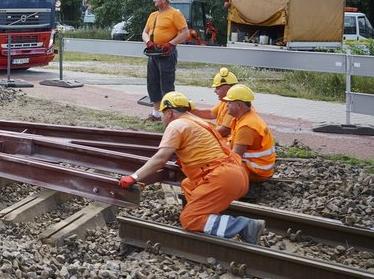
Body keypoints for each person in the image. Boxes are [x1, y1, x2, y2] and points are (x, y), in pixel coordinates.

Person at [118, 91, 265, 244]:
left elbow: (160, 159)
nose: (162, 118)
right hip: (236, 174)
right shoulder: (198, 121)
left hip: (222, 177)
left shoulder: (176, 125)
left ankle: (244, 226)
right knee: (187, 184)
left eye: (162, 114)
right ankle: (205, 213)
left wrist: (133, 177)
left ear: (168, 112)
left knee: (189, 219)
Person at [141, 0, 189, 121]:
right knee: (152, 82)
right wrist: (148, 42)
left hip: (167, 53)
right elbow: (144, 32)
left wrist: (170, 44)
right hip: (153, 53)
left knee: (166, 84)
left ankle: (170, 115)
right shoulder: (153, 15)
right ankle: (156, 114)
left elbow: (185, 33)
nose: (154, 0)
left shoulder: (175, 14)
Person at [221, 84, 276, 182]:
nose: (226, 105)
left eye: (229, 102)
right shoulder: (243, 118)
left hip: (256, 170)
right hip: (257, 166)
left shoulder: (246, 127)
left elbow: (235, 157)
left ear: (239, 106)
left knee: (219, 170)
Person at [191, 67, 240, 137]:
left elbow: (224, 131)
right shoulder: (226, 101)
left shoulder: (235, 105)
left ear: (228, 88)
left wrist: (197, 135)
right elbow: (210, 113)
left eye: (217, 87)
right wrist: (189, 108)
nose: (215, 91)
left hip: (229, 144)